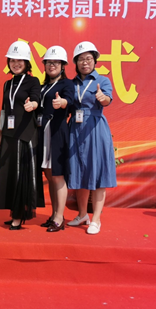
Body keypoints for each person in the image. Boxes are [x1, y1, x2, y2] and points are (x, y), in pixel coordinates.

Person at [67, 41, 117, 235]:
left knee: (97, 174)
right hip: (75, 129)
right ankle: (82, 215)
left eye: (88, 58)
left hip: (95, 129)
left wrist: (103, 98)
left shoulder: (102, 81)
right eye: (81, 59)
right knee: (78, 173)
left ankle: (96, 219)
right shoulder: (71, 84)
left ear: (95, 61)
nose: (85, 62)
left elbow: (107, 99)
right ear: (76, 62)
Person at [0, 41, 43, 230]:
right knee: (10, 173)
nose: (16, 64)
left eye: (19, 60)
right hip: (9, 133)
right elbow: (4, 109)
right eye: (12, 60)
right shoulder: (7, 83)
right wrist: (0, 131)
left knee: (22, 174)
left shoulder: (33, 81)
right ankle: (13, 211)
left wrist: (33, 105)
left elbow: (36, 98)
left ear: (27, 62)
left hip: (26, 134)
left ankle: (19, 215)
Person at [36, 46, 75, 232]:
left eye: (56, 62)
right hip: (43, 133)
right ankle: (53, 214)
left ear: (63, 65)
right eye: (49, 62)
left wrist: (63, 102)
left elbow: (71, 101)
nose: (52, 65)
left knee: (58, 175)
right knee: (49, 175)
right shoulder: (43, 86)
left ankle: (60, 217)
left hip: (57, 132)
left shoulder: (66, 84)